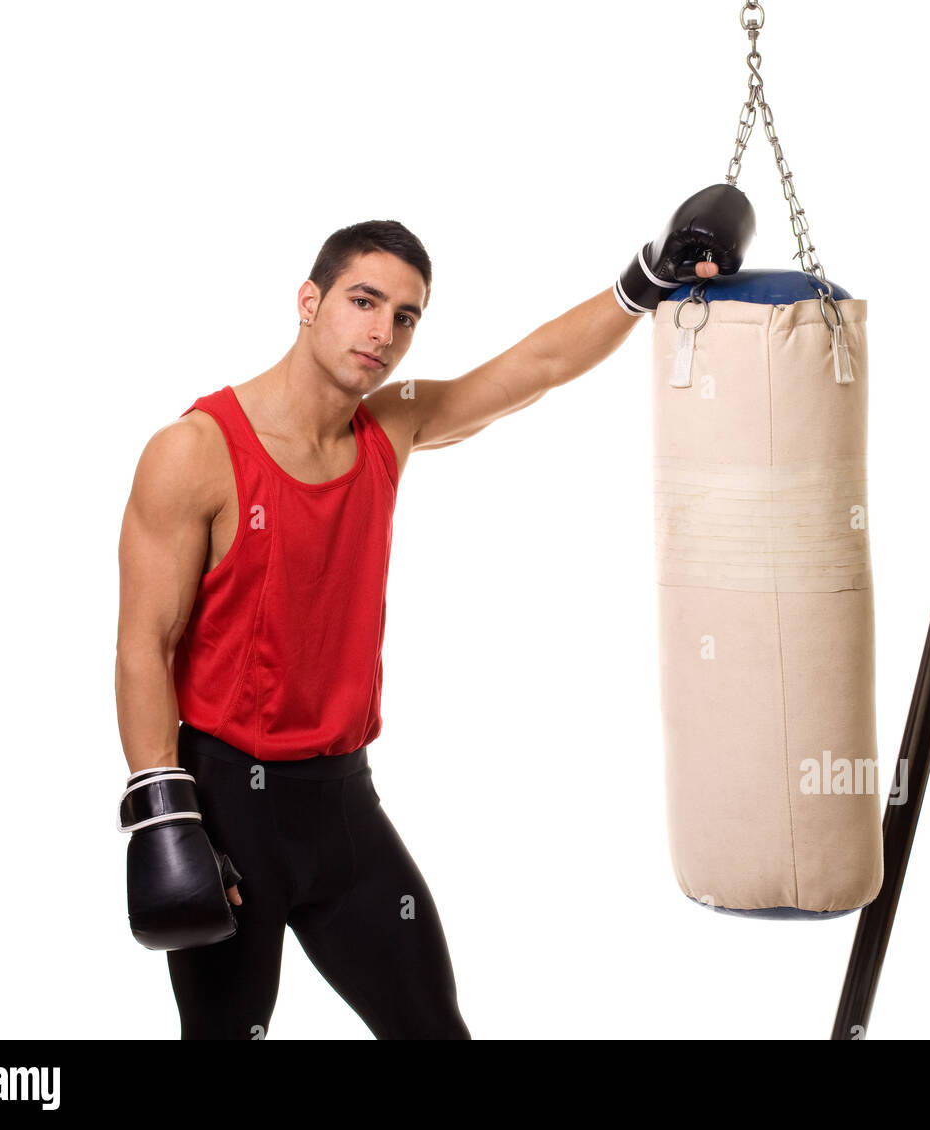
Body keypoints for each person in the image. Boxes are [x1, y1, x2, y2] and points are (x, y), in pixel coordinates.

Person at [113, 186, 755, 1039]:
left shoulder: (392, 427)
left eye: (406, 317)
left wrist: (643, 282)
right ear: (309, 303)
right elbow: (142, 647)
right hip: (229, 810)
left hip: (343, 806)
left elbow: (531, 371)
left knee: (433, 1030)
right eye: (363, 302)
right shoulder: (193, 451)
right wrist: (164, 810)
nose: (383, 333)